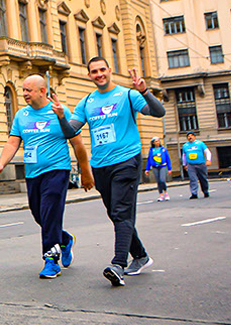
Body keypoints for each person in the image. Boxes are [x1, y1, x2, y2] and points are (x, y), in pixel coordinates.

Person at [59, 57, 166, 287]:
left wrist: (145, 91)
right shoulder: (86, 102)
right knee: (116, 214)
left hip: (127, 160)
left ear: (109, 70)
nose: (99, 74)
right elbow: (71, 131)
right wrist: (60, 117)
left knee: (120, 212)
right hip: (100, 166)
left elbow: (158, 112)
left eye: (102, 70)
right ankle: (141, 256)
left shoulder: (128, 95)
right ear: (89, 75)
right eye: (94, 71)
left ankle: (118, 264)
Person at [0, 75, 93, 279]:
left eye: (29, 90)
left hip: (57, 170)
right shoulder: (21, 115)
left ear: (42, 91)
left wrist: (85, 171)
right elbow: (13, 143)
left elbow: (77, 143)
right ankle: (64, 239)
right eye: (24, 90)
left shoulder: (59, 111)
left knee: (50, 211)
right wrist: (1, 163)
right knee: (40, 214)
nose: (25, 94)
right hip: (33, 173)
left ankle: (51, 261)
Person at [181, 133, 212, 199]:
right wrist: (184, 164)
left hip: (201, 164)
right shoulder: (185, 145)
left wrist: (208, 160)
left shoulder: (200, 143)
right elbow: (184, 156)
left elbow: (207, 152)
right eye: (188, 136)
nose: (190, 137)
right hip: (191, 165)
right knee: (193, 179)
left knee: (203, 178)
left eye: (191, 136)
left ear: (194, 137)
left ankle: (205, 191)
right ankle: (194, 193)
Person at [145, 137, 171, 202]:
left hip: (162, 166)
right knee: (158, 181)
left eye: (158, 141)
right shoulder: (151, 150)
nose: (157, 142)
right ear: (153, 143)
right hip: (154, 167)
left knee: (162, 180)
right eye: (156, 141)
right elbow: (149, 159)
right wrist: (147, 169)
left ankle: (166, 193)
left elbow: (168, 159)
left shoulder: (163, 149)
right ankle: (161, 194)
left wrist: (169, 168)